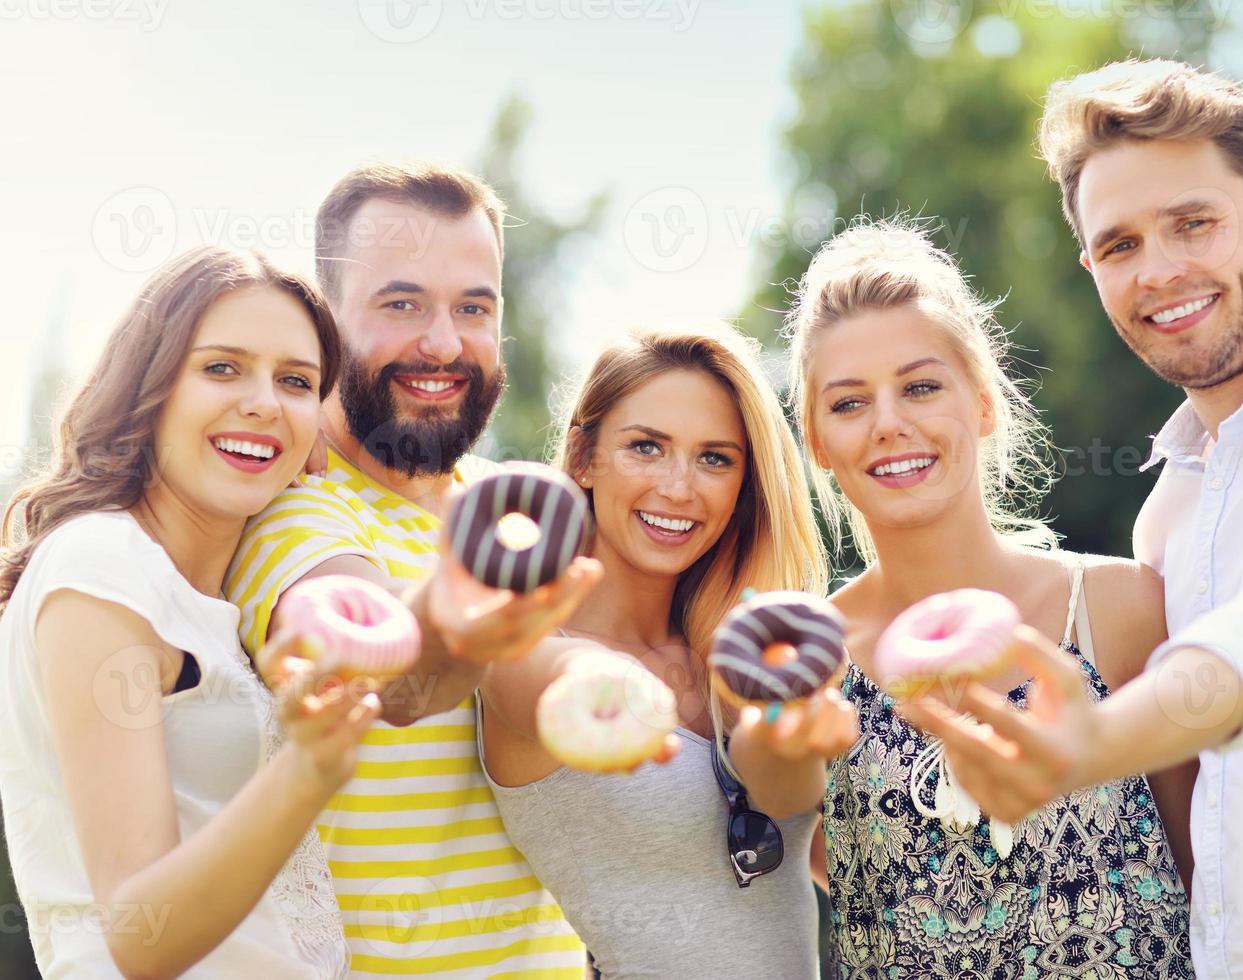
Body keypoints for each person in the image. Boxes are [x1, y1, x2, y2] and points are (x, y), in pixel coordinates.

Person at [901, 58, 1243, 976]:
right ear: (1090, 266)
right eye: (1119, 245)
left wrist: (1092, 737)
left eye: (1193, 224)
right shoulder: (1169, 507)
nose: (1159, 272)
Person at [785, 218, 1197, 976]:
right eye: (848, 403)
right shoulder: (809, 656)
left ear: (981, 401)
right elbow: (840, 878)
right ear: (815, 440)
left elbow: (1210, 880)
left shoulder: (1120, 609)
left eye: (920, 387)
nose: (889, 424)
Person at [224, 163, 601, 978]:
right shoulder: (296, 511)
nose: (442, 342)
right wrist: (452, 621)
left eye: (474, 308)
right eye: (402, 304)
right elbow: (384, 674)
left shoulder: (504, 511)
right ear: (325, 324)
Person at [0, 246, 373, 977]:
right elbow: (143, 935)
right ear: (151, 387)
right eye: (222, 367)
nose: (264, 401)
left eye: (295, 381)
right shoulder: (102, 567)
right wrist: (308, 767)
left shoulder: (212, 603)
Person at [477, 324, 857, 978]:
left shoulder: (735, 653)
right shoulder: (523, 650)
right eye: (646, 448)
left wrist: (792, 726)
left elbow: (784, 796)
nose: (680, 488)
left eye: (715, 458)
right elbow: (562, 686)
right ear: (583, 458)